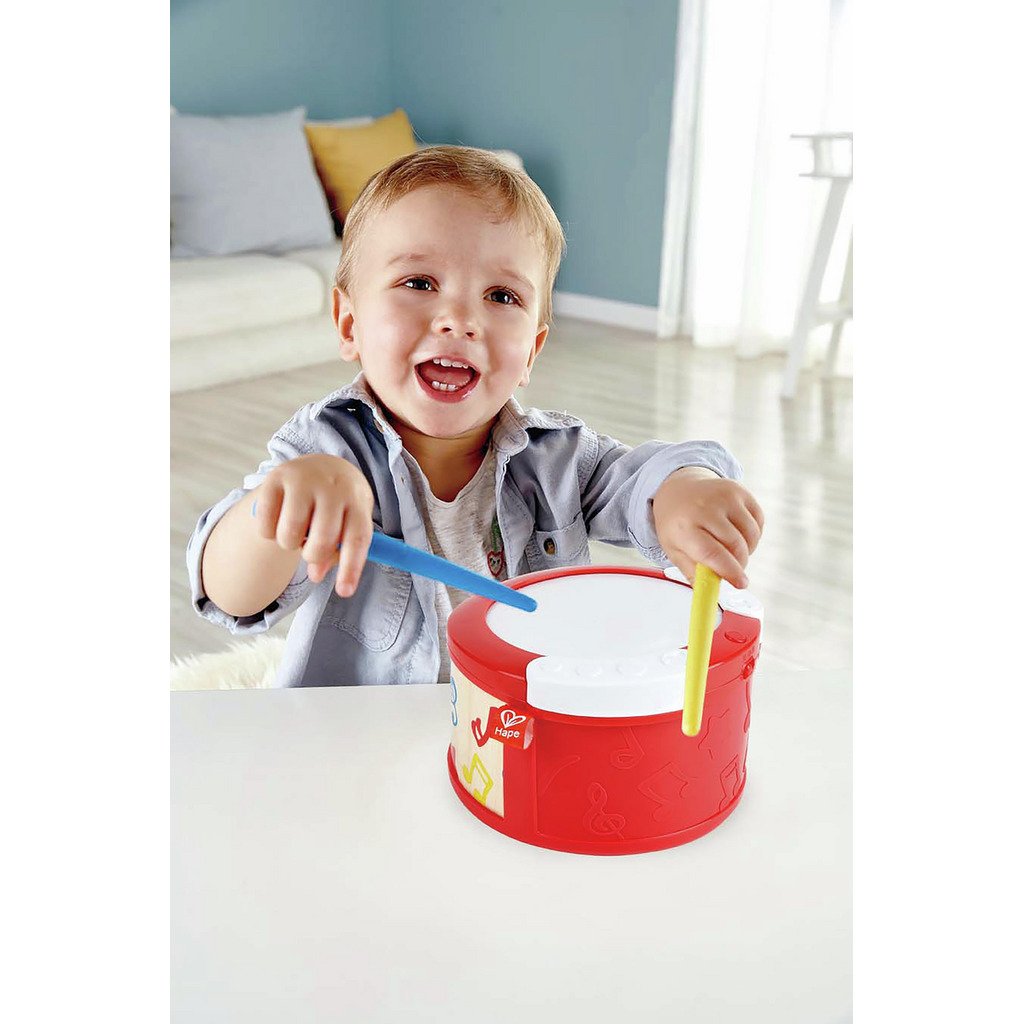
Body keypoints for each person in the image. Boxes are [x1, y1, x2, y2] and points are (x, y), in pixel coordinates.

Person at [187, 146, 764, 687]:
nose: (460, 319)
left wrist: (686, 488)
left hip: (515, 727)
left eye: (501, 296)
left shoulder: (557, 457)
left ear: (532, 351)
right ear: (349, 324)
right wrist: (280, 506)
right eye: (419, 283)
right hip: (363, 740)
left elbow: (639, 479)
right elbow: (229, 593)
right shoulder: (326, 450)